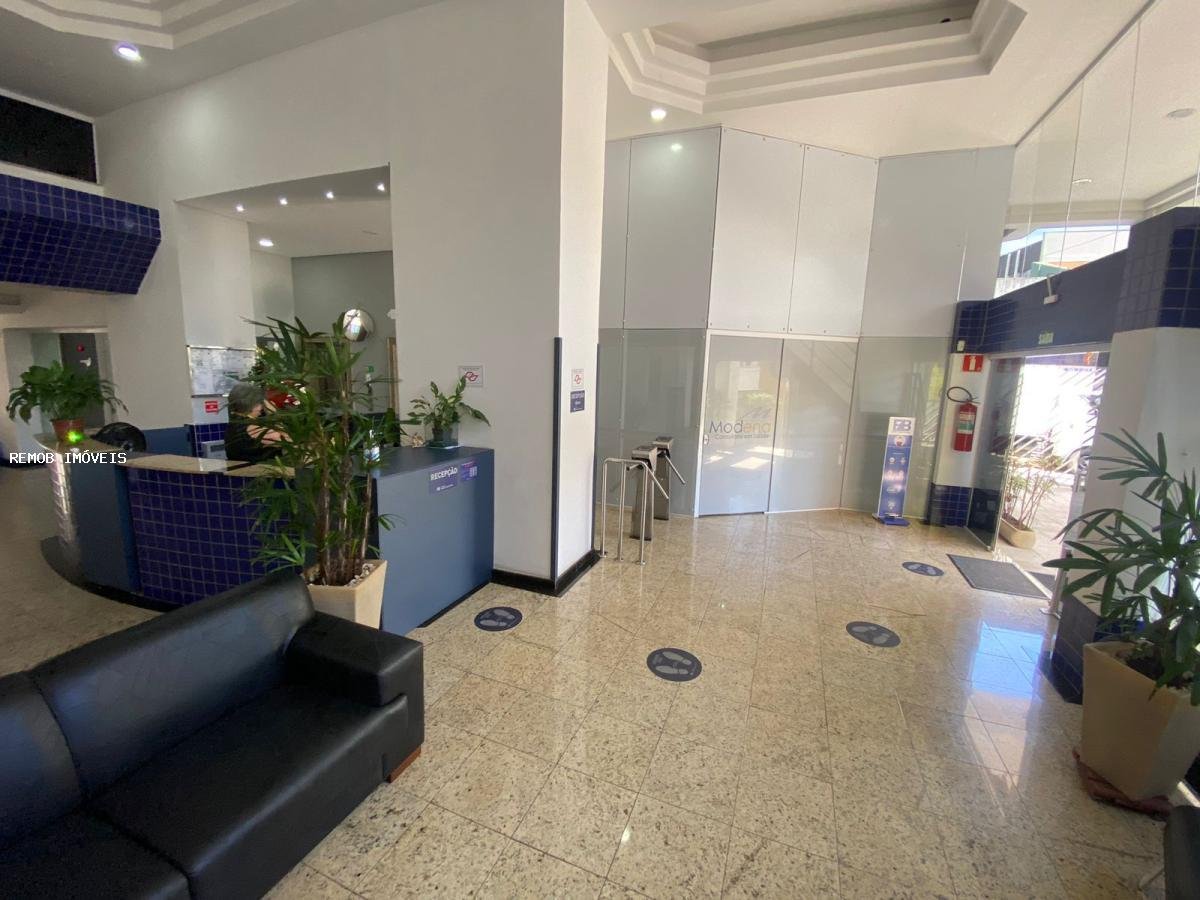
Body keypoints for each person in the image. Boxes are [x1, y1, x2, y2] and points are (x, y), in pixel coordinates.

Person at [224, 382, 284, 463]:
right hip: (261, 469)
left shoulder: (235, 423)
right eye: (259, 403)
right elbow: (288, 440)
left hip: (241, 469)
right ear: (251, 404)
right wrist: (273, 413)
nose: (261, 407)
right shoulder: (252, 427)